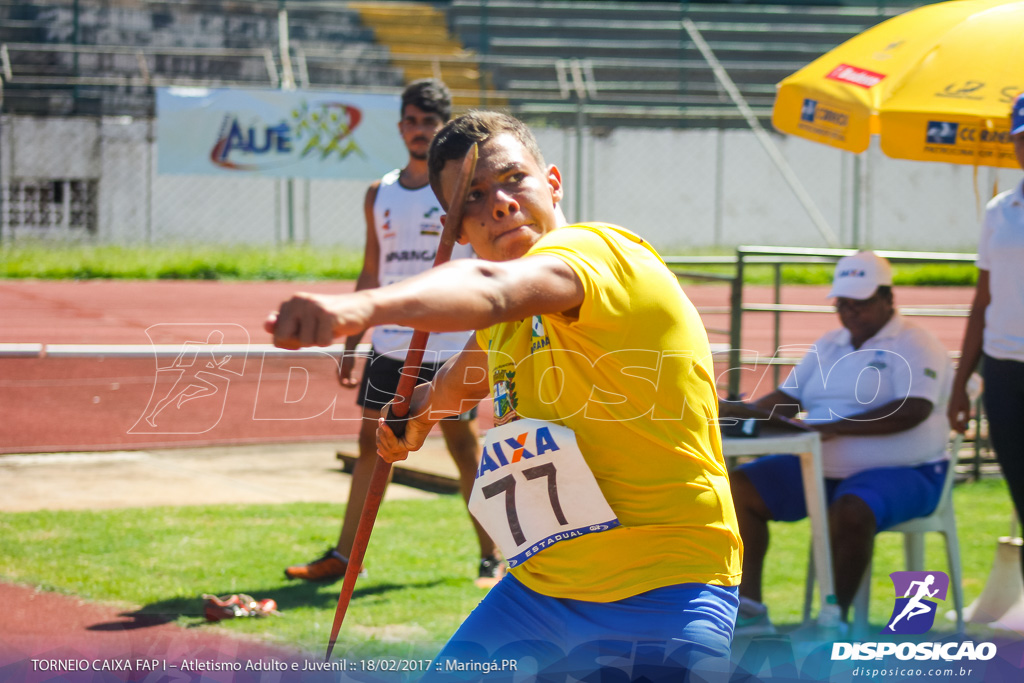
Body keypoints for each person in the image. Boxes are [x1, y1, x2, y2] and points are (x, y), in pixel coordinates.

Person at [267, 111, 742, 679]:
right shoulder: (508, 322)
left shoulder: (600, 254)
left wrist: (359, 310)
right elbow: (463, 375)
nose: (500, 203)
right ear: (454, 230)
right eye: (474, 196)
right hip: (538, 593)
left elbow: (490, 289)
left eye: (515, 179)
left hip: (664, 591)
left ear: (553, 183)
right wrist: (418, 416)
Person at [282, 79, 502, 587]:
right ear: (400, 126)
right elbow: (371, 270)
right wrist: (352, 340)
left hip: (445, 343)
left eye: (429, 122)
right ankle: (343, 556)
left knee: (463, 446)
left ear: (443, 126)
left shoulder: (458, 192)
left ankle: (491, 555)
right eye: (411, 121)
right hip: (390, 344)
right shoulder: (378, 193)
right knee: (371, 445)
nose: (419, 130)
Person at [729, 251, 953, 634]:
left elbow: (914, 409)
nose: (850, 311)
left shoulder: (916, 342)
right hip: (817, 465)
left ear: (888, 299)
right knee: (738, 488)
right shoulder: (829, 344)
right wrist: (742, 414)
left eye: (861, 302)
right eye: (842, 303)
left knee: (851, 509)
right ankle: (749, 608)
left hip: (907, 472)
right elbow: (785, 399)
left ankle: (833, 621)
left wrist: (838, 427)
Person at [949, 93, 1024, 582]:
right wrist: (960, 383)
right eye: (1021, 137)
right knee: (1018, 485)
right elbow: (982, 301)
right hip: (1003, 370)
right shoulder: (1000, 209)